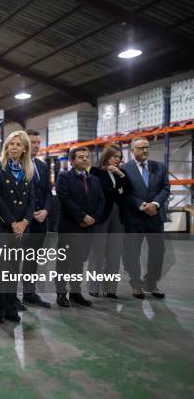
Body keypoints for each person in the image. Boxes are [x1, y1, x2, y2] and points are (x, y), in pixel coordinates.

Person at [0, 131, 35, 323]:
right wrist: (12, 222)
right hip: (1, 225)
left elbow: (32, 200)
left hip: (21, 227)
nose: (14, 147)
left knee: (14, 268)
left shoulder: (28, 170)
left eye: (18, 144)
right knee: (1, 270)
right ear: (6, 147)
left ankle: (10, 307)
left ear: (25, 149)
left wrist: (25, 221)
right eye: (11, 144)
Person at [55, 147, 104, 308]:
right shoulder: (64, 178)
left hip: (87, 228)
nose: (85, 159)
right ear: (72, 161)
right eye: (81, 157)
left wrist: (93, 218)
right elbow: (65, 200)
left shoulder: (94, 180)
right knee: (64, 262)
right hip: (70, 227)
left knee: (78, 262)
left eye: (87, 157)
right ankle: (61, 293)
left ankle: (76, 293)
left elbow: (101, 201)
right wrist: (82, 217)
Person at [121, 138, 170, 299]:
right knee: (132, 253)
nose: (145, 151)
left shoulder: (159, 167)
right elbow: (125, 193)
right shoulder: (125, 169)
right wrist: (142, 205)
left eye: (147, 148)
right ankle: (136, 284)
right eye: (141, 148)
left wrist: (155, 204)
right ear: (132, 150)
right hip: (134, 217)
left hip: (155, 216)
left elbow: (165, 188)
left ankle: (151, 283)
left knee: (158, 251)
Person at [88, 145, 128, 299]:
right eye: (115, 156)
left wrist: (120, 176)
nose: (118, 159)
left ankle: (110, 287)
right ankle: (94, 286)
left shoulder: (121, 173)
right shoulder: (96, 172)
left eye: (119, 157)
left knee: (115, 252)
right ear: (107, 156)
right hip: (102, 214)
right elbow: (101, 190)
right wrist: (118, 191)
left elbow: (128, 190)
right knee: (97, 252)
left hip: (119, 216)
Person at [21, 129, 52, 309]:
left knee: (32, 259)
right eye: (33, 142)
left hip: (41, 220)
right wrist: (29, 213)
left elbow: (48, 191)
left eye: (38, 143)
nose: (37, 146)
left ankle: (29, 293)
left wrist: (46, 211)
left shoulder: (42, 166)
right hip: (24, 220)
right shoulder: (17, 165)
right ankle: (11, 297)